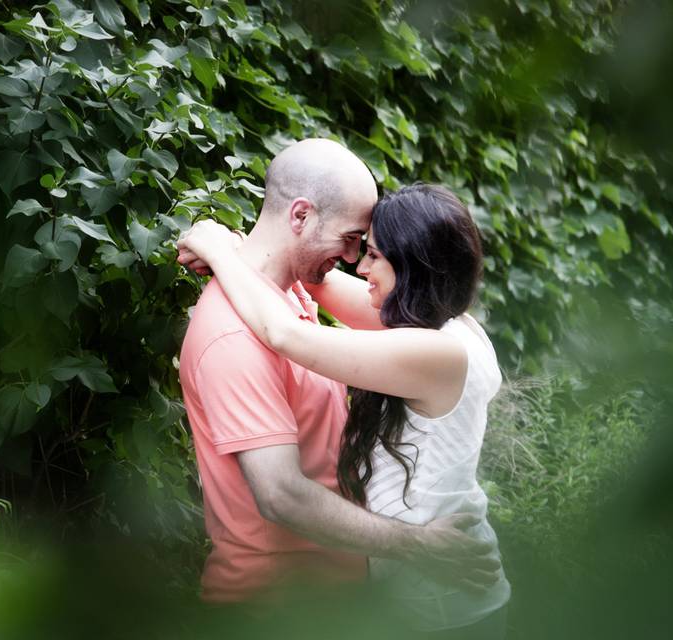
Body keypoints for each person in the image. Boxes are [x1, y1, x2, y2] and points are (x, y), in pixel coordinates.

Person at [176, 138, 500, 606]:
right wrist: (241, 254)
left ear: (411, 268)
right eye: (353, 241)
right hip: (278, 605)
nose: (356, 262)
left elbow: (288, 332)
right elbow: (280, 494)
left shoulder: (434, 348)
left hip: (431, 593)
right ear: (301, 216)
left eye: (370, 252)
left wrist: (222, 249)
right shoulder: (450, 324)